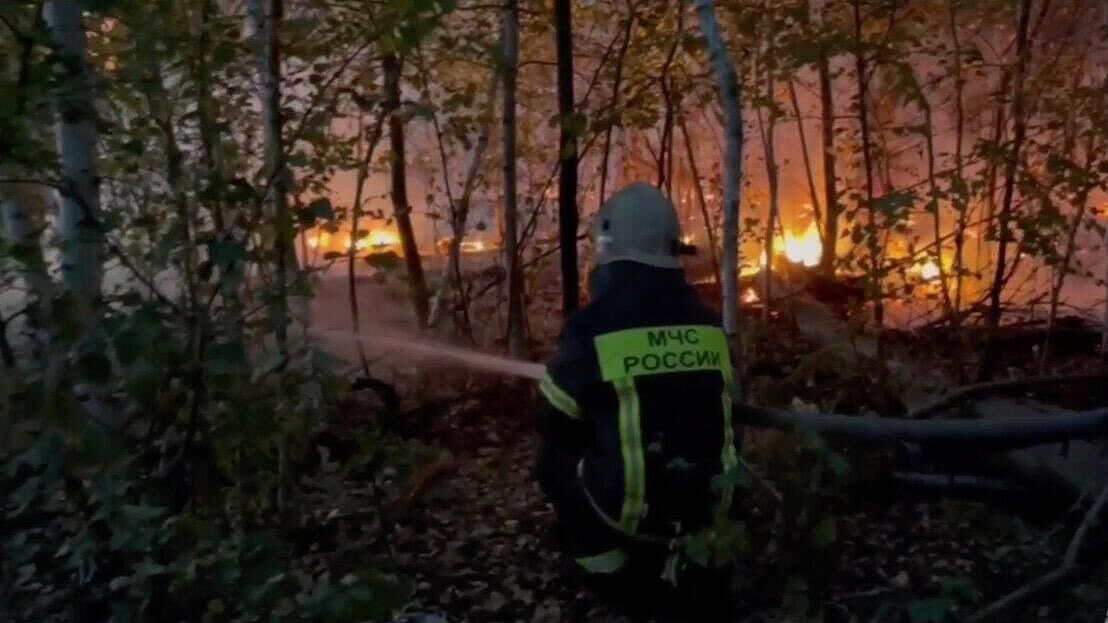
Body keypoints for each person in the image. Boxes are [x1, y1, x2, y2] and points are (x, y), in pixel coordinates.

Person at [534, 182, 741, 616]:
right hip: (708, 513)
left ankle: (608, 570)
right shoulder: (709, 324)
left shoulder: (592, 327)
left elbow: (555, 419)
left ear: (607, 244)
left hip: (630, 519)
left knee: (553, 461)